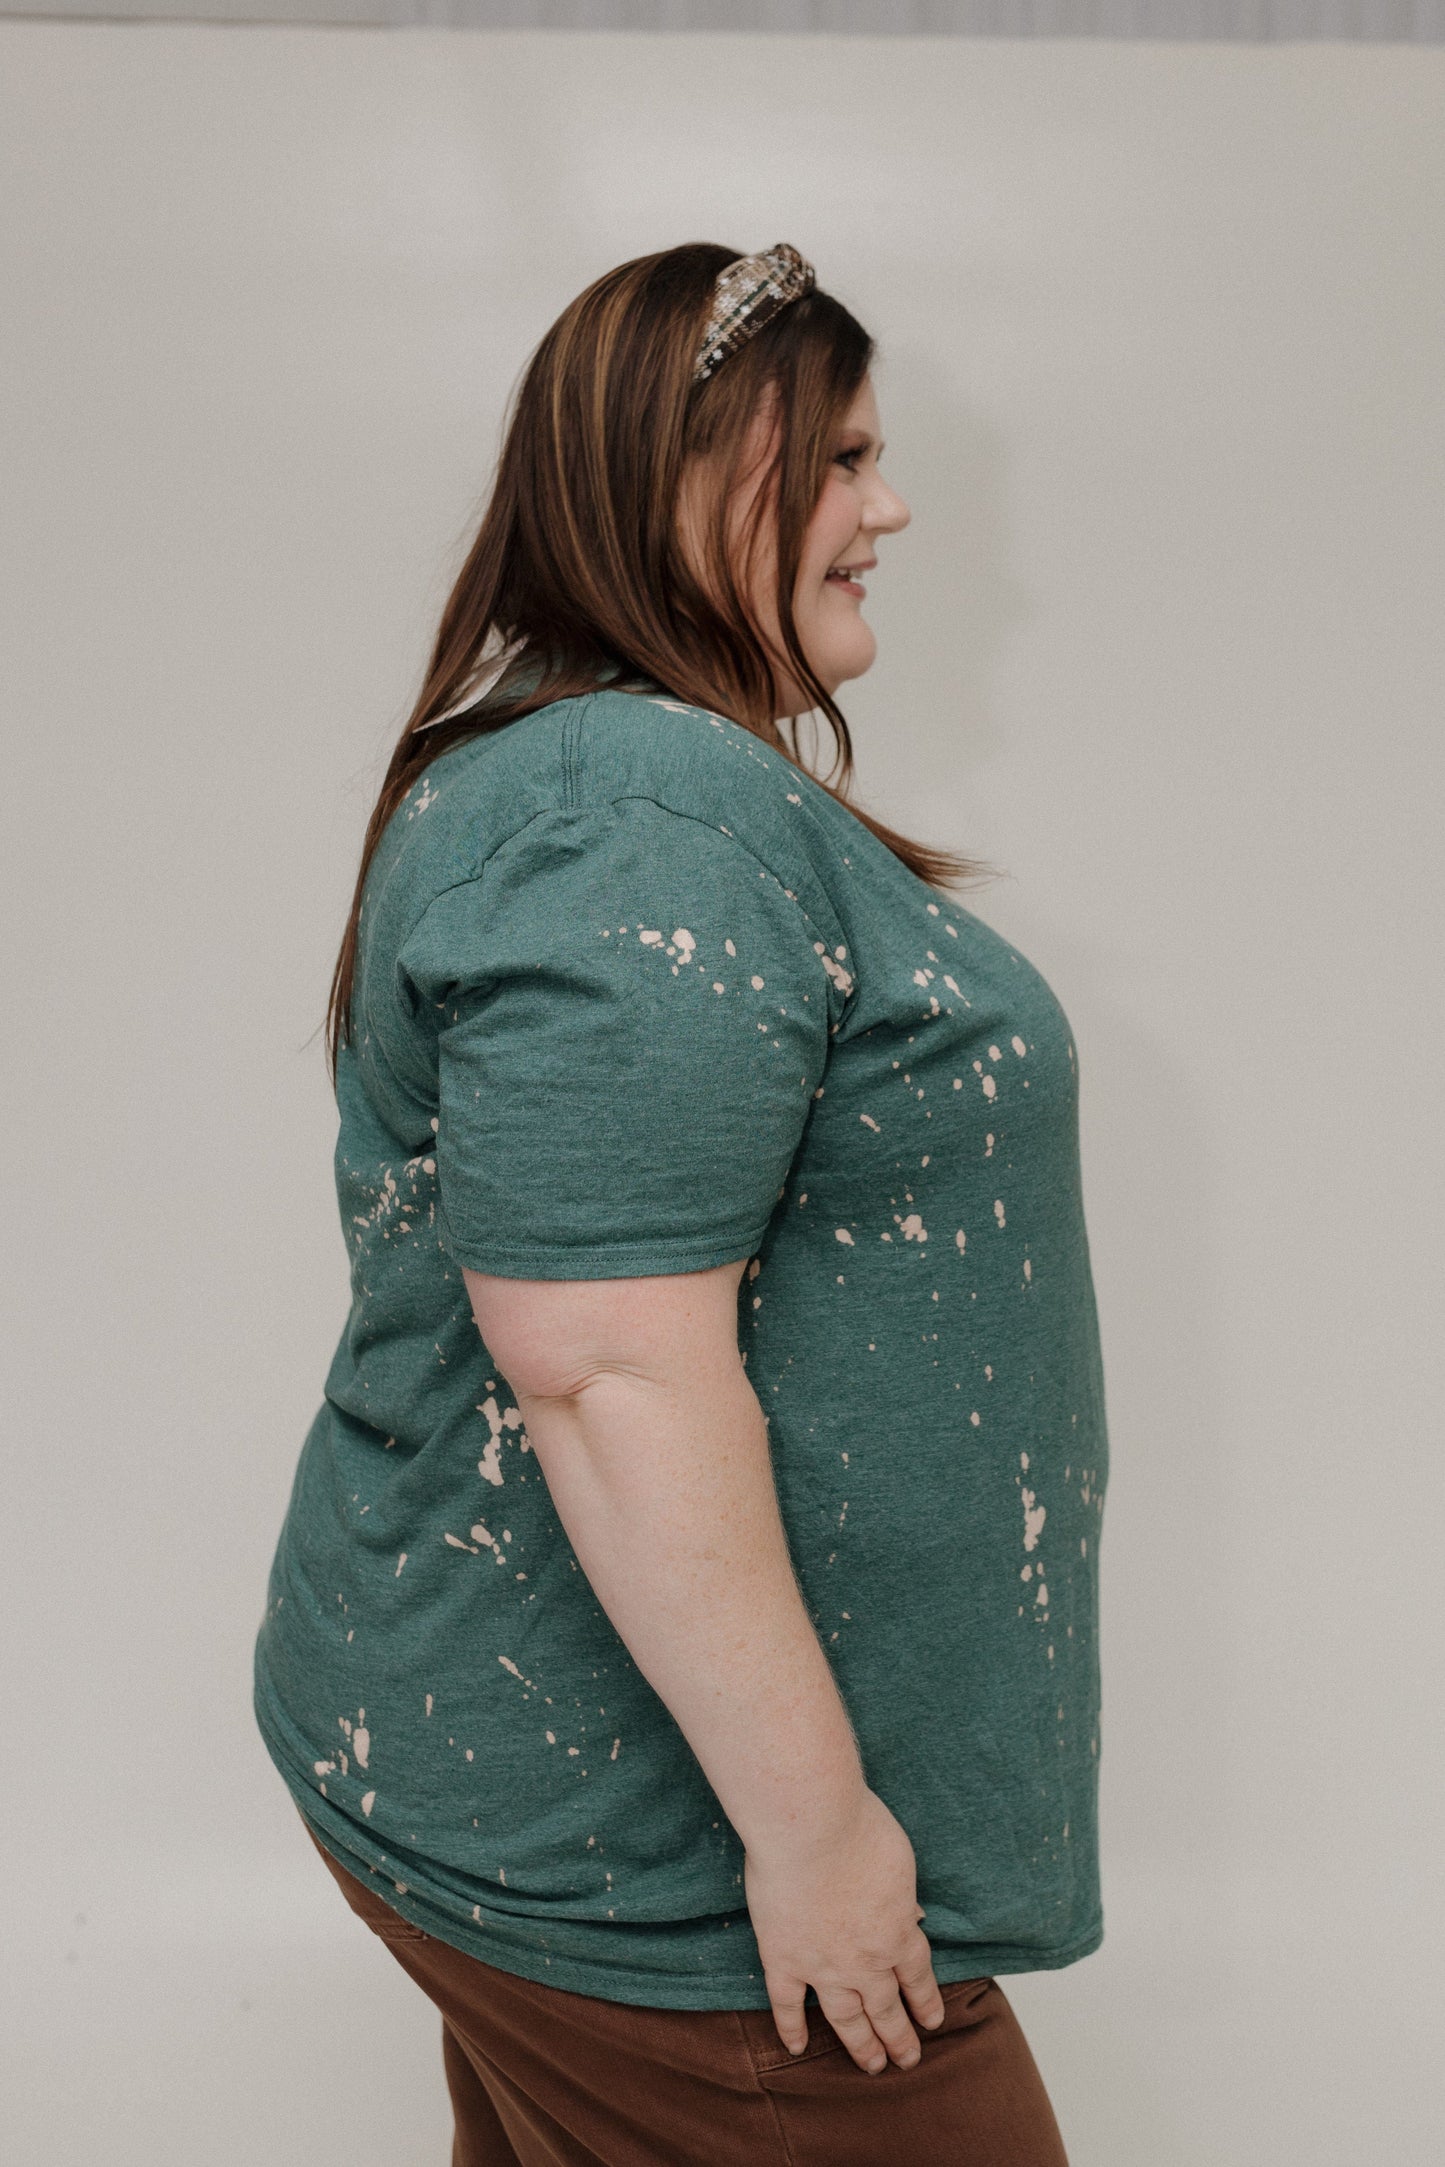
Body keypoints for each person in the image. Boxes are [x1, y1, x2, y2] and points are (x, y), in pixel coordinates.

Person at [253, 240, 1109, 2166]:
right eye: (842, 459)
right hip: (668, 1876)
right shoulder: (634, 814)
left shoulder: (621, 786)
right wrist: (810, 1840)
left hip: (578, 1811)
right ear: (689, 470)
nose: (885, 512)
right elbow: (609, 1372)